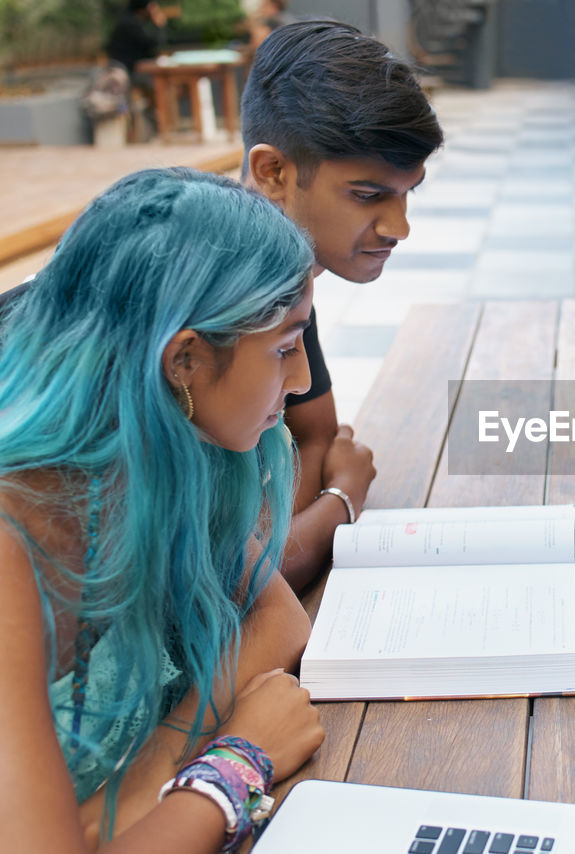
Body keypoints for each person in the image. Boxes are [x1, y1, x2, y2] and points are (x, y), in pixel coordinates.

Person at [0, 168, 324, 852]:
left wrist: (152, 769)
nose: (300, 382)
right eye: (286, 348)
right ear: (184, 359)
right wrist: (233, 764)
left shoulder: (165, 450)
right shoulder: (10, 537)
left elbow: (277, 614)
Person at [240, 20, 445, 591]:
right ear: (273, 172)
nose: (399, 226)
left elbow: (319, 437)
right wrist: (340, 500)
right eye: (368, 194)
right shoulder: (208, 300)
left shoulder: (281, 273)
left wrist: (287, 527)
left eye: (408, 192)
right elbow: (241, 577)